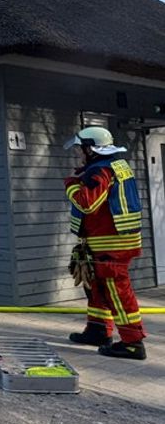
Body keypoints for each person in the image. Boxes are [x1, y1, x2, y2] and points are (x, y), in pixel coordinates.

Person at [63, 126, 147, 359]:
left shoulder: (100, 171)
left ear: (92, 149)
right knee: (97, 286)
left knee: (117, 291)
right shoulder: (115, 165)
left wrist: (71, 184)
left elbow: (87, 203)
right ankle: (98, 330)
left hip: (111, 245)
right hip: (111, 240)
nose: (79, 153)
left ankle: (132, 342)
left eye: (82, 149)